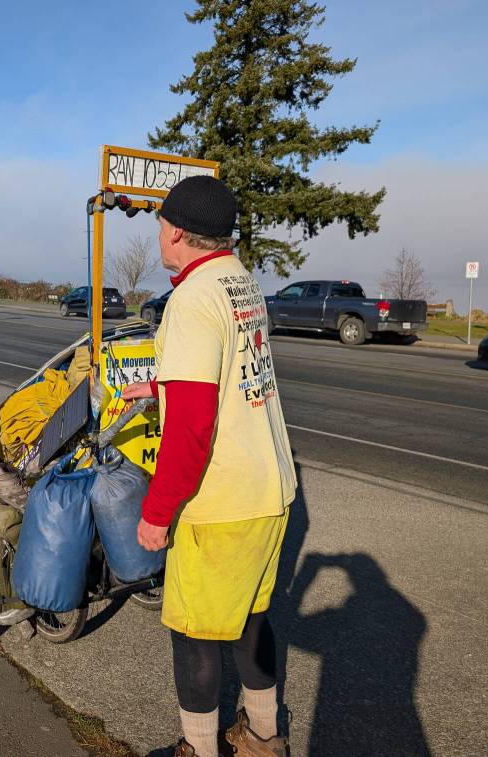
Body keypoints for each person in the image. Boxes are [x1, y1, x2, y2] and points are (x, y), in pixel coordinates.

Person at [121, 176, 297, 757]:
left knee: (193, 633)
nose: (159, 236)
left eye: (160, 227)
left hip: (221, 501)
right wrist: (160, 388)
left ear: (175, 232)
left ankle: (198, 748)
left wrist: (157, 511)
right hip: (270, 487)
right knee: (251, 617)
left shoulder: (192, 299)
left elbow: (192, 429)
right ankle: (264, 735)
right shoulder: (240, 281)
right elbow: (228, 373)